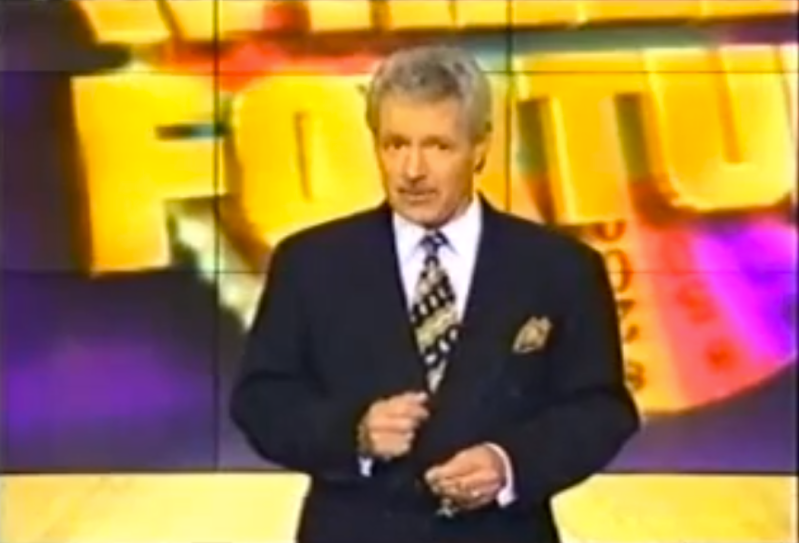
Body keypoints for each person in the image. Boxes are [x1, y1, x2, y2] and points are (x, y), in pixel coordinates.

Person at [230, 44, 640, 543]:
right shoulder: (311, 263)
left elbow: (600, 408)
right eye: (395, 144)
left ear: (480, 146)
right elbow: (262, 400)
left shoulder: (560, 268)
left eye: (438, 146)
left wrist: (510, 464)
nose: (412, 170)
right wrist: (352, 434)